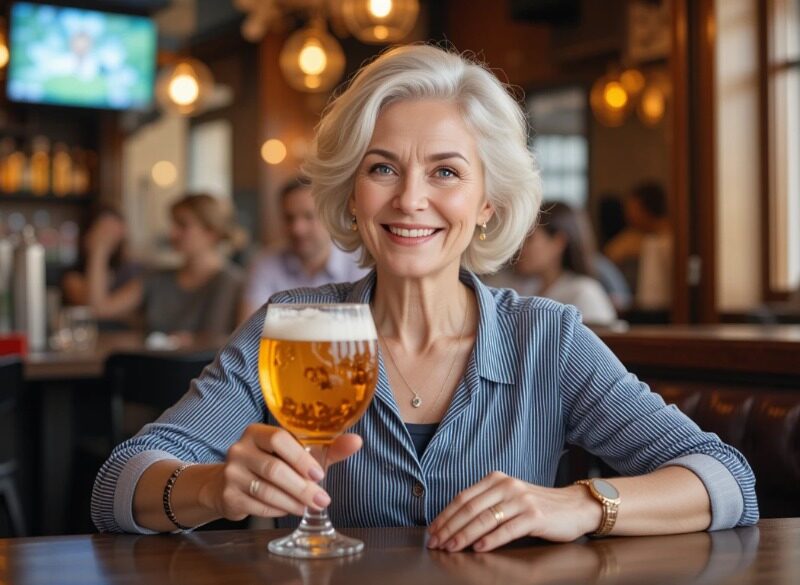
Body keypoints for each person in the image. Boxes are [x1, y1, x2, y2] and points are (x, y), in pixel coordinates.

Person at [92, 46, 756, 550]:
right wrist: (212, 487)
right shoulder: (292, 329)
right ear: (352, 193)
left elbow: (726, 477)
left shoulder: (546, 338)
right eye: (383, 168)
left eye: (445, 171)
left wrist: (580, 504)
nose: (411, 199)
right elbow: (117, 483)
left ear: (487, 202)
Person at [80, 193, 245, 340]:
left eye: (182, 225)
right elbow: (99, 309)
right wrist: (99, 250)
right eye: (173, 224)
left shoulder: (231, 282)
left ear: (211, 232)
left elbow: (231, 343)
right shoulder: (157, 278)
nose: (172, 233)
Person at [241, 177, 367, 320]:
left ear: (331, 217)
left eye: (309, 216)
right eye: (289, 218)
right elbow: (248, 327)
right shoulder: (264, 264)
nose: (297, 229)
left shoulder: (361, 264)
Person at [487, 202, 618, 325]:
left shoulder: (584, 293)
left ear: (558, 242)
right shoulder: (522, 288)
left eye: (529, 239)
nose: (520, 247)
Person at [62, 206, 142, 330]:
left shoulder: (134, 273)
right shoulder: (73, 276)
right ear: (87, 235)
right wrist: (99, 249)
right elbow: (93, 308)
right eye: (104, 232)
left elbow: (136, 314)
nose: (109, 237)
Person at [604, 181, 672, 310]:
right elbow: (611, 253)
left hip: (661, 308)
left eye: (631, 208)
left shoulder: (667, 239)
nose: (627, 214)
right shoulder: (635, 236)